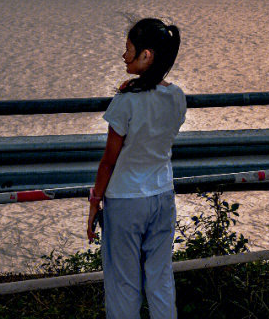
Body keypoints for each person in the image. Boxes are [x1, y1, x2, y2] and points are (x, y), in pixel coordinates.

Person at [88, 18, 186, 319]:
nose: (123, 55)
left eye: (128, 49)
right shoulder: (177, 97)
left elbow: (109, 161)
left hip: (125, 200)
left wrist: (95, 202)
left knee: (123, 283)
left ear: (147, 55)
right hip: (162, 197)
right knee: (160, 278)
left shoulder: (125, 101)